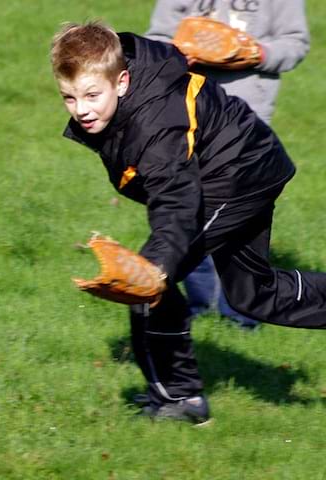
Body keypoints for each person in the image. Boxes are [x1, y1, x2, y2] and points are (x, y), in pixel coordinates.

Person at [50, 21, 325, 425]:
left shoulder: (154, 124)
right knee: (254, 295)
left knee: (145, 285)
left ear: (122, 82)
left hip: (235, 177)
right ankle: (176, 393)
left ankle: (181, 399)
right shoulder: (122, 88)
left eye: (92, 95)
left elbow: (177, 197)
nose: (82, 109)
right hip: (248, 164)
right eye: (69, 98)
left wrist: (158, 265)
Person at [145, 0, 310, 328]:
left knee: (242, 215)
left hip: (247, 118)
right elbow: (156, 39)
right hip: (188, 113)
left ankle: (243, 311)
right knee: (192, 210)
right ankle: (200, 302)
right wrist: (176, 54)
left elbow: (296, 41)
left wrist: (258, 53)